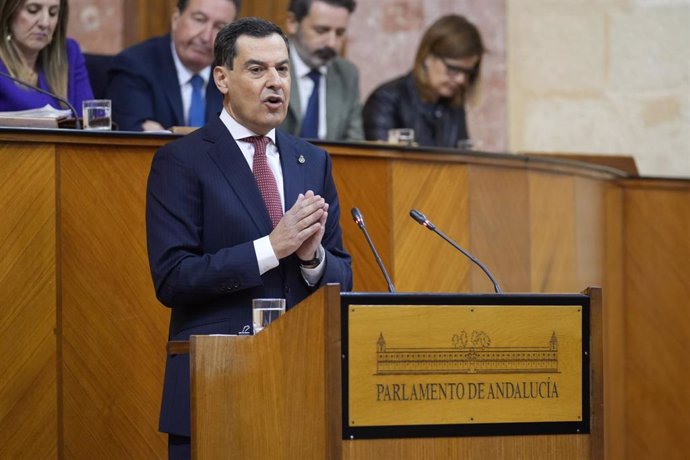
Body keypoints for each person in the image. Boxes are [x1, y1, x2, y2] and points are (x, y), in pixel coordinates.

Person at [146, 17, 352, 459]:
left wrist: (312, 258)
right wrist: (270, 248)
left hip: (303, 386)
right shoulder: (182, 161)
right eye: (257, 70)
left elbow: (343, 274)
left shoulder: (312, 160)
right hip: (215, 381)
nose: (275, 82)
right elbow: (173, 277)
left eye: (282, 69)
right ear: (222, 77)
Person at [106, 0, 239, 131]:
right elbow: (135, 141)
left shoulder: (234, 76)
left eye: (220, 27)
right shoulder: (134, 65)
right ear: (176, 19)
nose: (206, 37)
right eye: (199, 20)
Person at [362, 14, 484, 148]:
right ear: (427, 57)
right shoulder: (386, 100)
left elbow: (461, 163)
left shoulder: (454, 106)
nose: (461, 80)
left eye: (468, 72)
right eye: (453, 69)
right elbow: (383, 164)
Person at [280, 0, 363, 141]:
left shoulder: (347, 74)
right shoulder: (268, 66)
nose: (332, 43)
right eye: (321, 30)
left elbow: (354, 144)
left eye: (340, 33)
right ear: (293, 22)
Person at [0, 0, 93, 116]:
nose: (45, 23)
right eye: (33, 10)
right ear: (8, 12)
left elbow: (88, 123)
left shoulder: (69, 53)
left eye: (53, 13)